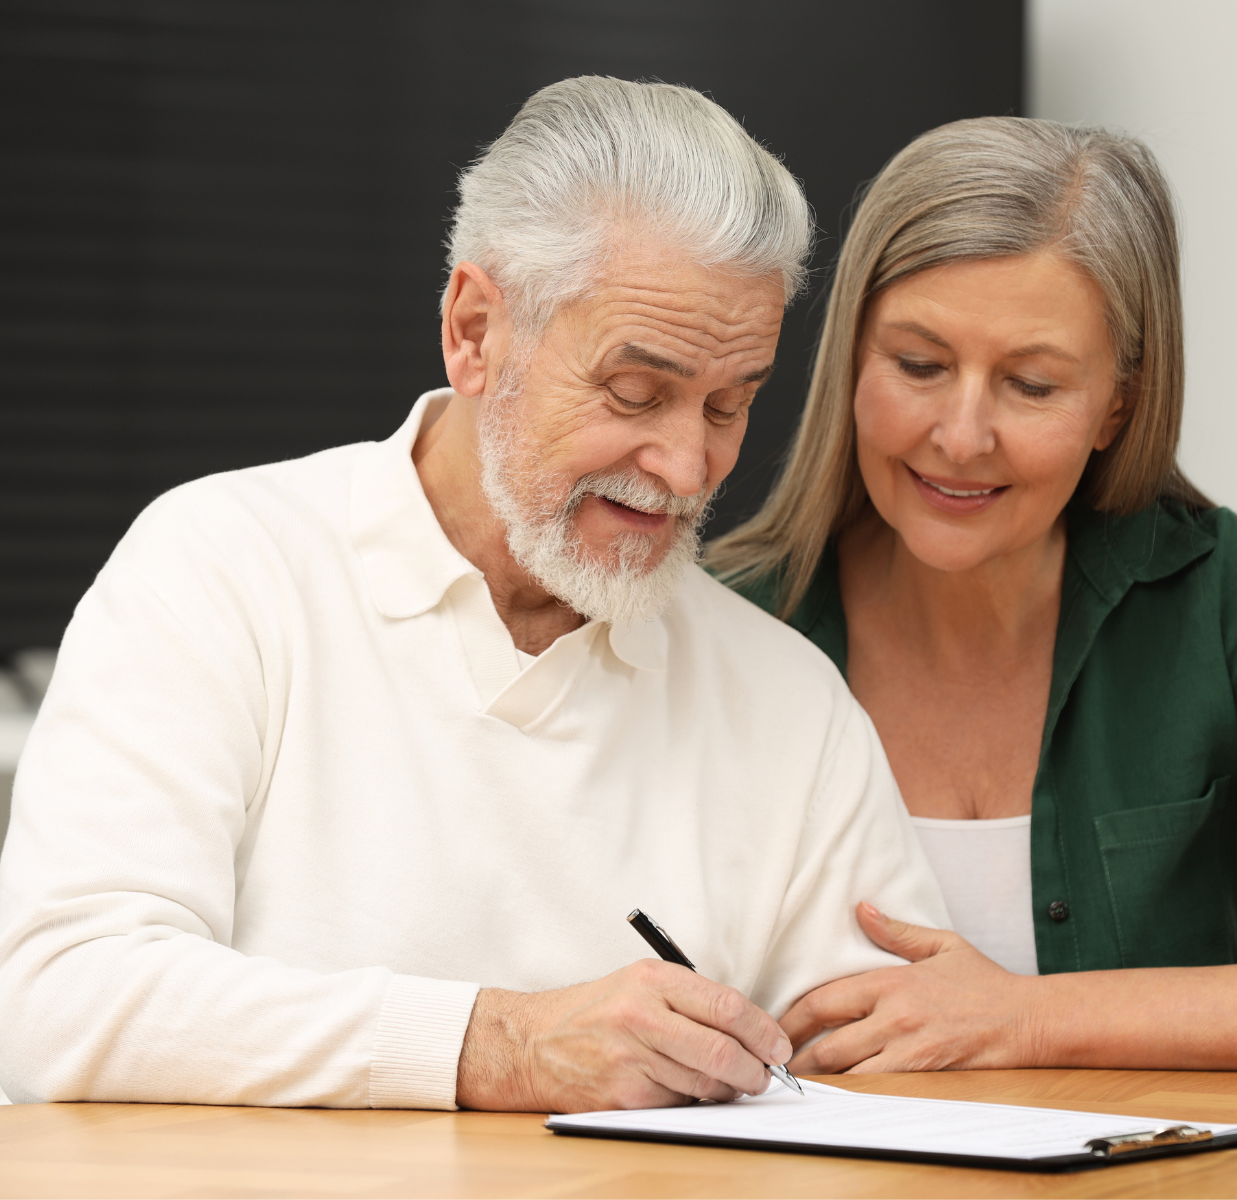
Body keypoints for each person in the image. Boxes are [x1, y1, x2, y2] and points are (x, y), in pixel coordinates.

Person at [0, 77, 947, 1112]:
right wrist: (500, 1046)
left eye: (729, 405)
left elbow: (885, 1084)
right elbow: (59, 1001)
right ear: (475, 331)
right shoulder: (221, 570)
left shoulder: (785, 701)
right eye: (636, 393)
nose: (686, 468)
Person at [707, 117, 1237, 1075]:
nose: (960, 435)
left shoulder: (1216, 594)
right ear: (850, 358)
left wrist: (1026, 1020)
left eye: (1031, 386)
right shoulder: (714, 625)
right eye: (918, 365)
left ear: (1118, 404)